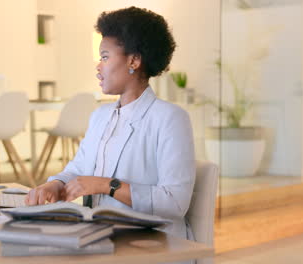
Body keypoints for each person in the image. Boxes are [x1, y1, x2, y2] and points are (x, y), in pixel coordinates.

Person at [25, 6, 196, 243]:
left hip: (153, 244)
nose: (98, 66)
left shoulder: (170, 118)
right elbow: (79, 167)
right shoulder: (101, 116)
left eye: (105, 57)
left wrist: (107, 185)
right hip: (102, 236)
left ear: (134, 60)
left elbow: (174, 203)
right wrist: (55, 183)